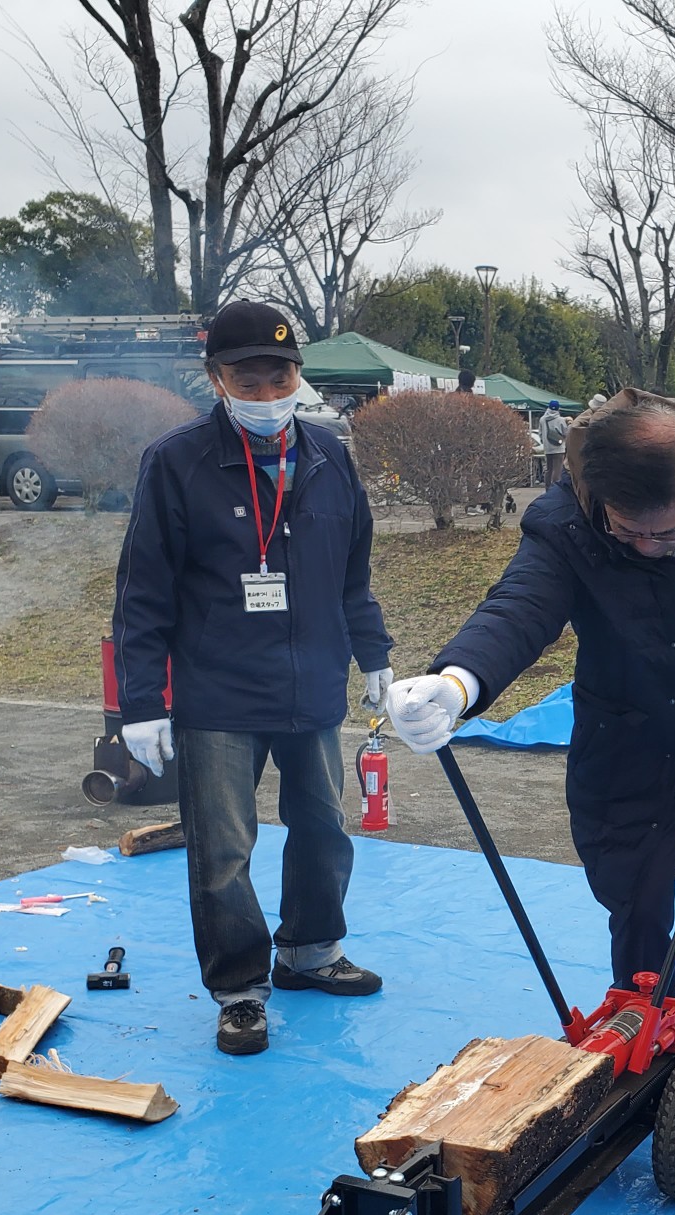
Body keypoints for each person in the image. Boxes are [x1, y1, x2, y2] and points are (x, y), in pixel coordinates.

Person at [384, 392, 675, 1076]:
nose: (647, 547)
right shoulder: (566, 524)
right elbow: (521, 606)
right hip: (637, 730)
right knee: (636, 896)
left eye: (667, 534)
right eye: (628, 531)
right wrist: (458, 683)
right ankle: (648, 1032)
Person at [113, 300, 393, 1057]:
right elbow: (143, 590)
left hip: (311, 687)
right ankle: (240, 989)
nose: (267, 394)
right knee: (224, 849)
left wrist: (374, 655)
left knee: (324, 829)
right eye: (248, 377)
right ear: (216, 378)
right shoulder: (177, 463)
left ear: (299, 376)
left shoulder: (332, 457)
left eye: (280, 376)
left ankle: (311, 951)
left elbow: (353, 575)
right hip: (219, 694)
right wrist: (141, 702)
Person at [539, 400, 569, 486]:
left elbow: (540, 433)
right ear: (558, 409)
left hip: (547, 448)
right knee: (558, 469)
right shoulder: (561, 420)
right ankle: (556, 487)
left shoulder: (542, 419)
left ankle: (548, 488)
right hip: (559, 448)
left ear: (548, 407)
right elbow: (566, 433)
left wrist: (545, 442)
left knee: (549, 469)